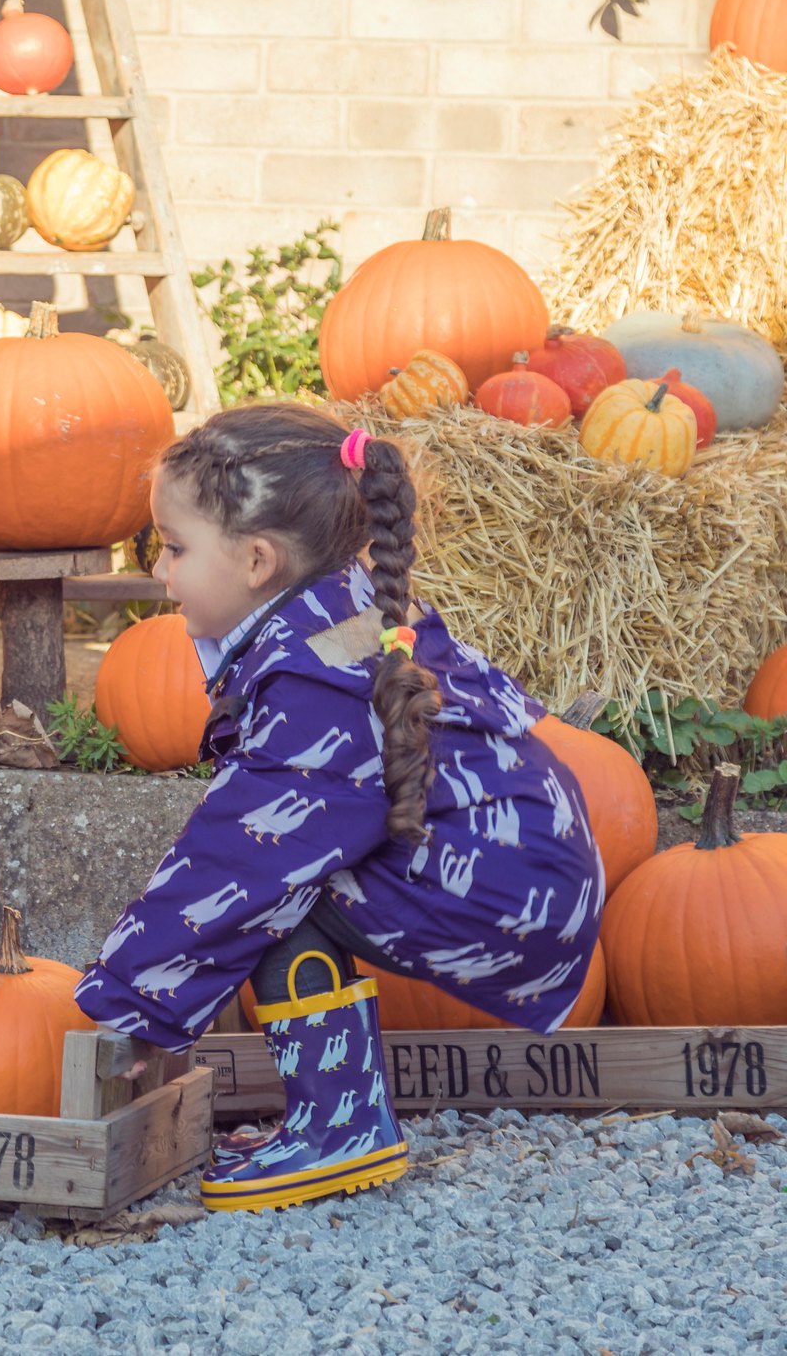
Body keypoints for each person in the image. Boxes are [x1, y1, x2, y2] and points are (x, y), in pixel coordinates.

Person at [75, 402, 604, 1214]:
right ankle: (342, 1115)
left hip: (511, 891)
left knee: (274, 886)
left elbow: (237, 857)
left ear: (258, 560)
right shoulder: (338, 617)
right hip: (530, 867)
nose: (162, 570)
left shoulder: (315, 683)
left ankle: (340, 1129)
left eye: (176, 548)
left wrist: (129, 1001)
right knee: (283, 871)